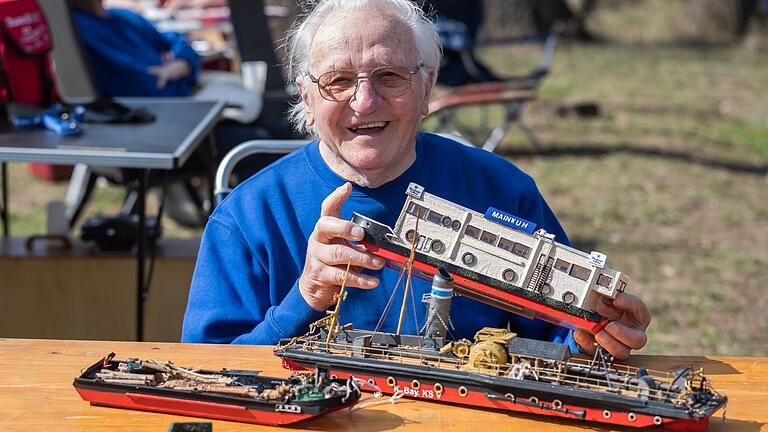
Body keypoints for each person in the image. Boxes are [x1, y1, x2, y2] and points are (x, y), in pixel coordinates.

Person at [181, 0, 650, 360]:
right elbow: (204, 372)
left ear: (427, 88)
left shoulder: (504, 190)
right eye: (338, 81)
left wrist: (597, 335)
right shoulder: (246, 217)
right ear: (306, 97)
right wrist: (303, 299)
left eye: (389, 76)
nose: (364, 102)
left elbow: (561, 337)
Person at [67, 0, 200, 97]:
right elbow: (154, 88)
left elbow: (178, 41)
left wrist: (183, 64)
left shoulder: (124, 16)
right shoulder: (77, 30)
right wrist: (186, 72)